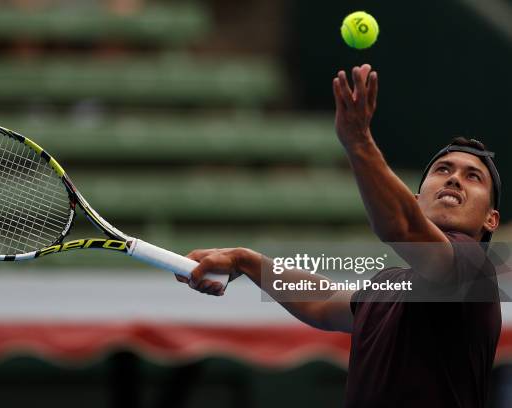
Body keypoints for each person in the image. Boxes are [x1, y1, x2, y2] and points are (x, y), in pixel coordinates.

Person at [176, 64, 502, 407]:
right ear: (416, 200)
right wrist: (246, 260)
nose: (453, 179)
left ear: (491, 220)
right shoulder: (392, 285)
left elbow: (400, 227)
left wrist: (359, 142)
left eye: (473, 177)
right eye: (443, 169)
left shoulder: (475, 270)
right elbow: (321, 301)